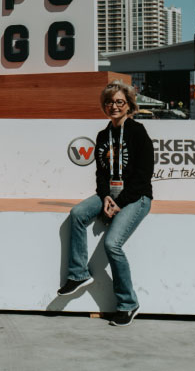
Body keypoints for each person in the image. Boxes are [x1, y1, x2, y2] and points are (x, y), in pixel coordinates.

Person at [57, 80, 154, 327]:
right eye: (110, 102)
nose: (114, 106)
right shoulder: (103, 135)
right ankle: (79, 274)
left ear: (129, 105)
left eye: (119, 102)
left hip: (136, 196)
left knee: (112, 244)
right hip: (109, 194)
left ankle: (128, 304)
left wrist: (119, 202)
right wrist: (106, 196)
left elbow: (144, 174)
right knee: (78, 212)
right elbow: (100, 173)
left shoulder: (138, 131)